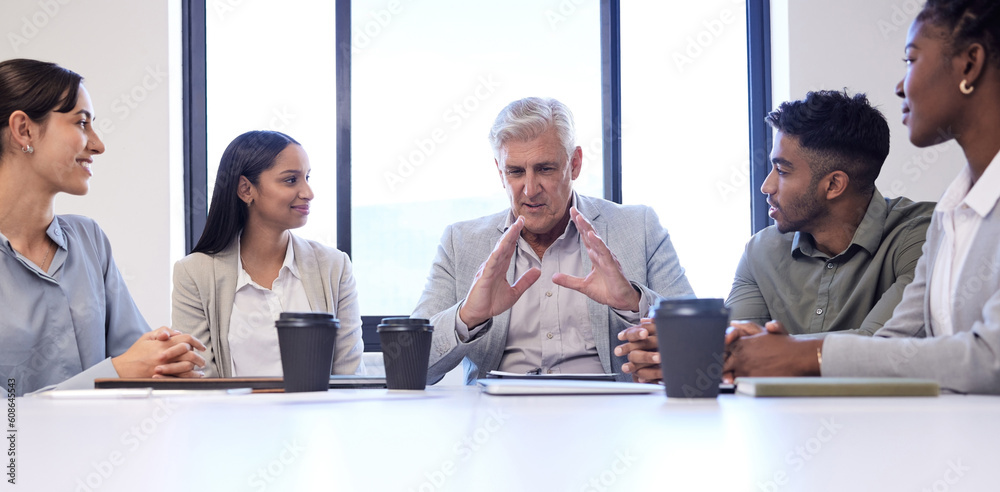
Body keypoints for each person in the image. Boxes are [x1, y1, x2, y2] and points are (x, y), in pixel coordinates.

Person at [722, 0, 1000, 394]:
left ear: (969, 65)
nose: (900, 86)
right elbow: (895, 346)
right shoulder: (951, 213)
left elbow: (992, 358)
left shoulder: (922, 226)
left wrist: (802, 355)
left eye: (911, 60)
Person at [616, 90, 935, 383]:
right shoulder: (761, 251)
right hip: (778, 423)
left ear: (834, 185)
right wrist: (676, 351)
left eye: (782, 171)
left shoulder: (923, 235)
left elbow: (884, 346)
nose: (766, 186)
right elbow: (730, 349)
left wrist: (758, 352)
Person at [412, 97, 694, 384]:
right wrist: (467, 317)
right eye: (515, 172)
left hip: (610, 408)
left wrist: (633, 303)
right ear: (500, 172)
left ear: (575, 164)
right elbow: (411, 365)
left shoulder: (640, 227)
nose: (530, 190)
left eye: (545, 169)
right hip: (499, 409)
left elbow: (700, 341)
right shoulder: (460, 242)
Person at [0, 59, 205, 396]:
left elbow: (140, 360)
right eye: (82, 123)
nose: (98, 145)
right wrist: (116, 373)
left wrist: (168, 359)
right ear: (24, 130)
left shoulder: (89, 240)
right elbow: (8, 419)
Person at [172, 130, 364, 377]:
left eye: (307, 177)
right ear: (246, 189)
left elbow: (350, 377)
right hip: (229, 406)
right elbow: (200, 380)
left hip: (321, 405)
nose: (308, 192)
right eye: (291, 180)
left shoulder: (334, 266)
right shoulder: (194, 273)